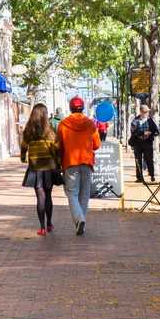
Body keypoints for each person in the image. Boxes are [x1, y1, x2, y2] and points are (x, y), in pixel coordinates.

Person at [57, 96, 101, 236]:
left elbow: (59, 146)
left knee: (72, 193)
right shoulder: (90, 124)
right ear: (82, 108)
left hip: (70, 162)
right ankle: (81, 220)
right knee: (84, 194)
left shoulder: (63, 124)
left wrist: (59, 162)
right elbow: (97, 144)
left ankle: (79, 219)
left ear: (70, 108)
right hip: (87, 162)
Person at [20, 103, 60, 236]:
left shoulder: (28, 130)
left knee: (40, 197)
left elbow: (24, 146)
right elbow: (56, 147)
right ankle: (49, 224)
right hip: (49, 167)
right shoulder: (49, 130)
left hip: (35, 167)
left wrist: (23, 157)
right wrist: (59, 162)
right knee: (48, 195)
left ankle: (42, 227)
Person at [129, 104, 160, 183]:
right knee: (138, 161)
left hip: (148, 142)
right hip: (137, 143)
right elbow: (133, 131)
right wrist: (143, 133)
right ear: (140, 112)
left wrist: (150, 133)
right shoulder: (135, 120)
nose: (146, 113)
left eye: (147, 112)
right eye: (144, 112)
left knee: (149, 159)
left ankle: (152, 175)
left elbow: (156, 131)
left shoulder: (150, 120)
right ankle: (139, 177)